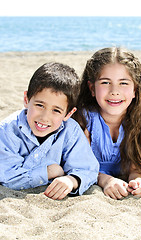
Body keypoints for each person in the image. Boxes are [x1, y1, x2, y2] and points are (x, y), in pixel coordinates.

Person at [0, 62, 99, 200]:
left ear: (68, 114)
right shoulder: (7, 131)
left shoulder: (71, 131)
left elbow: (88, 169)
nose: (45, 117)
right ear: (26, 99)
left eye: (56, 110)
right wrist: (48, 172)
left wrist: (71, 180)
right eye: (40, 105)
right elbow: (7, 176)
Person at [73, 47, 141, 200]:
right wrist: (105, 180)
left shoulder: (140, 118)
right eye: (105, 82)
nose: (114, 91)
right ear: (92, 88)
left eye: (123, 83)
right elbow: (77, 166)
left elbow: (138, 164)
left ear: (135, 90)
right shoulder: (84, 119)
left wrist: (138, 181)